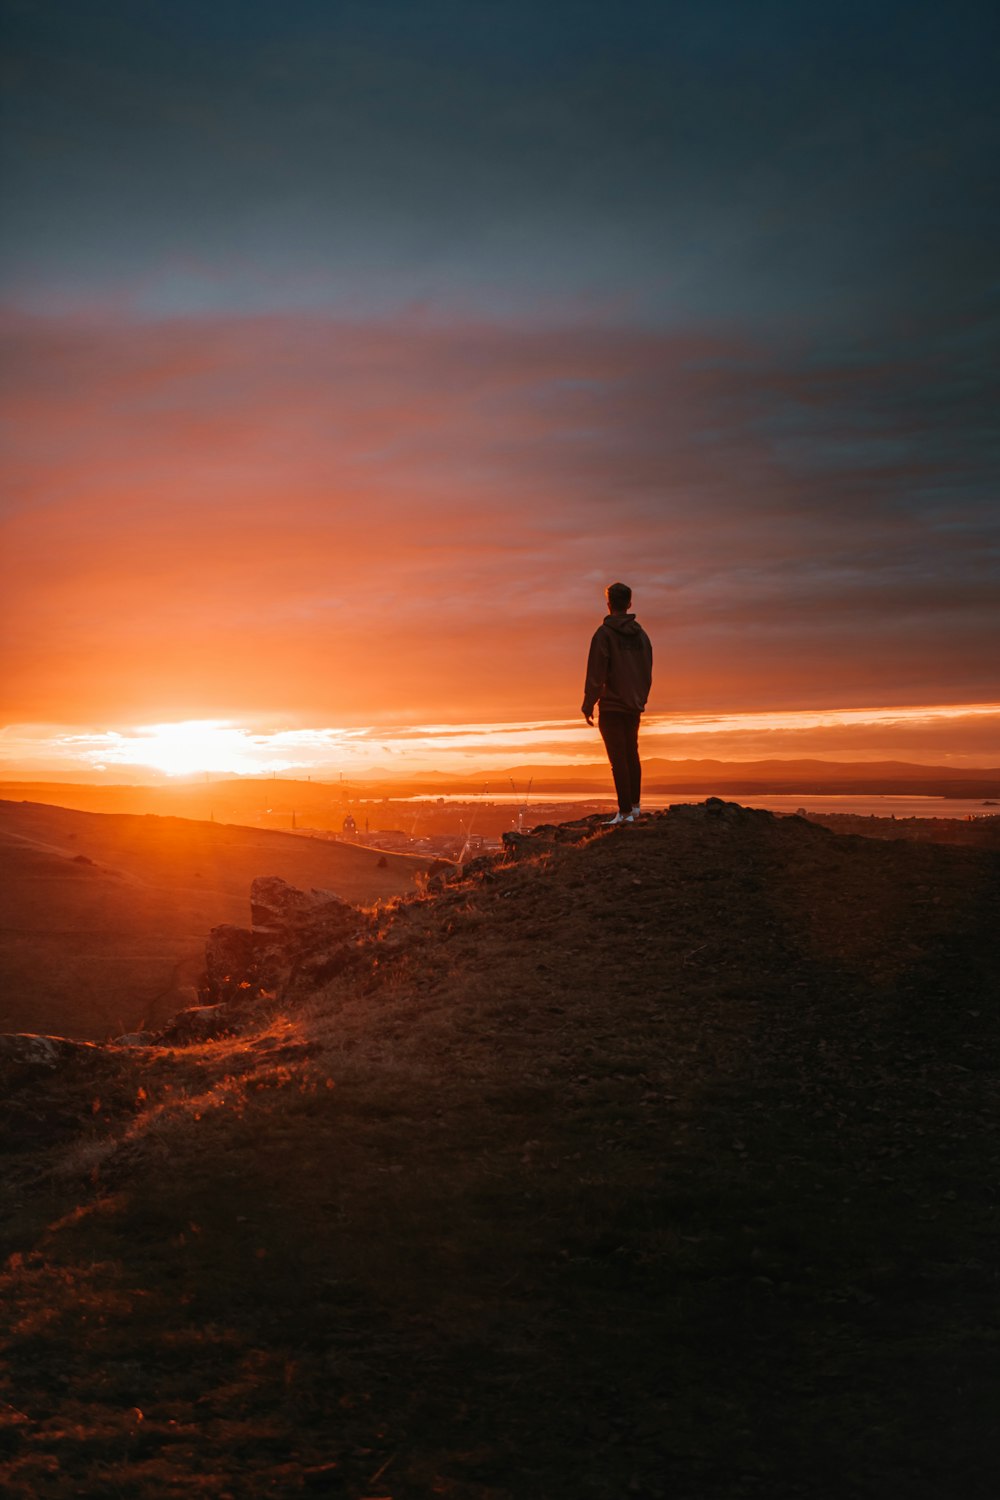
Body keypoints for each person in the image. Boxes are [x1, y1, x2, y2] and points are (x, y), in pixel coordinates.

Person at [582, 581, 653, 825]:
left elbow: (596, 672)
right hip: (633, 705)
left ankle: (624, 813)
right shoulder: (642, 636)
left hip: (612, 705)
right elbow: (647, 669)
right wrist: (640, 698)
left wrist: (588, 703)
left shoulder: (604, 634)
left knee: (618, 759)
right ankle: (634, 808)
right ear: (629, 604)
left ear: (609, 603)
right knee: (632, 753)